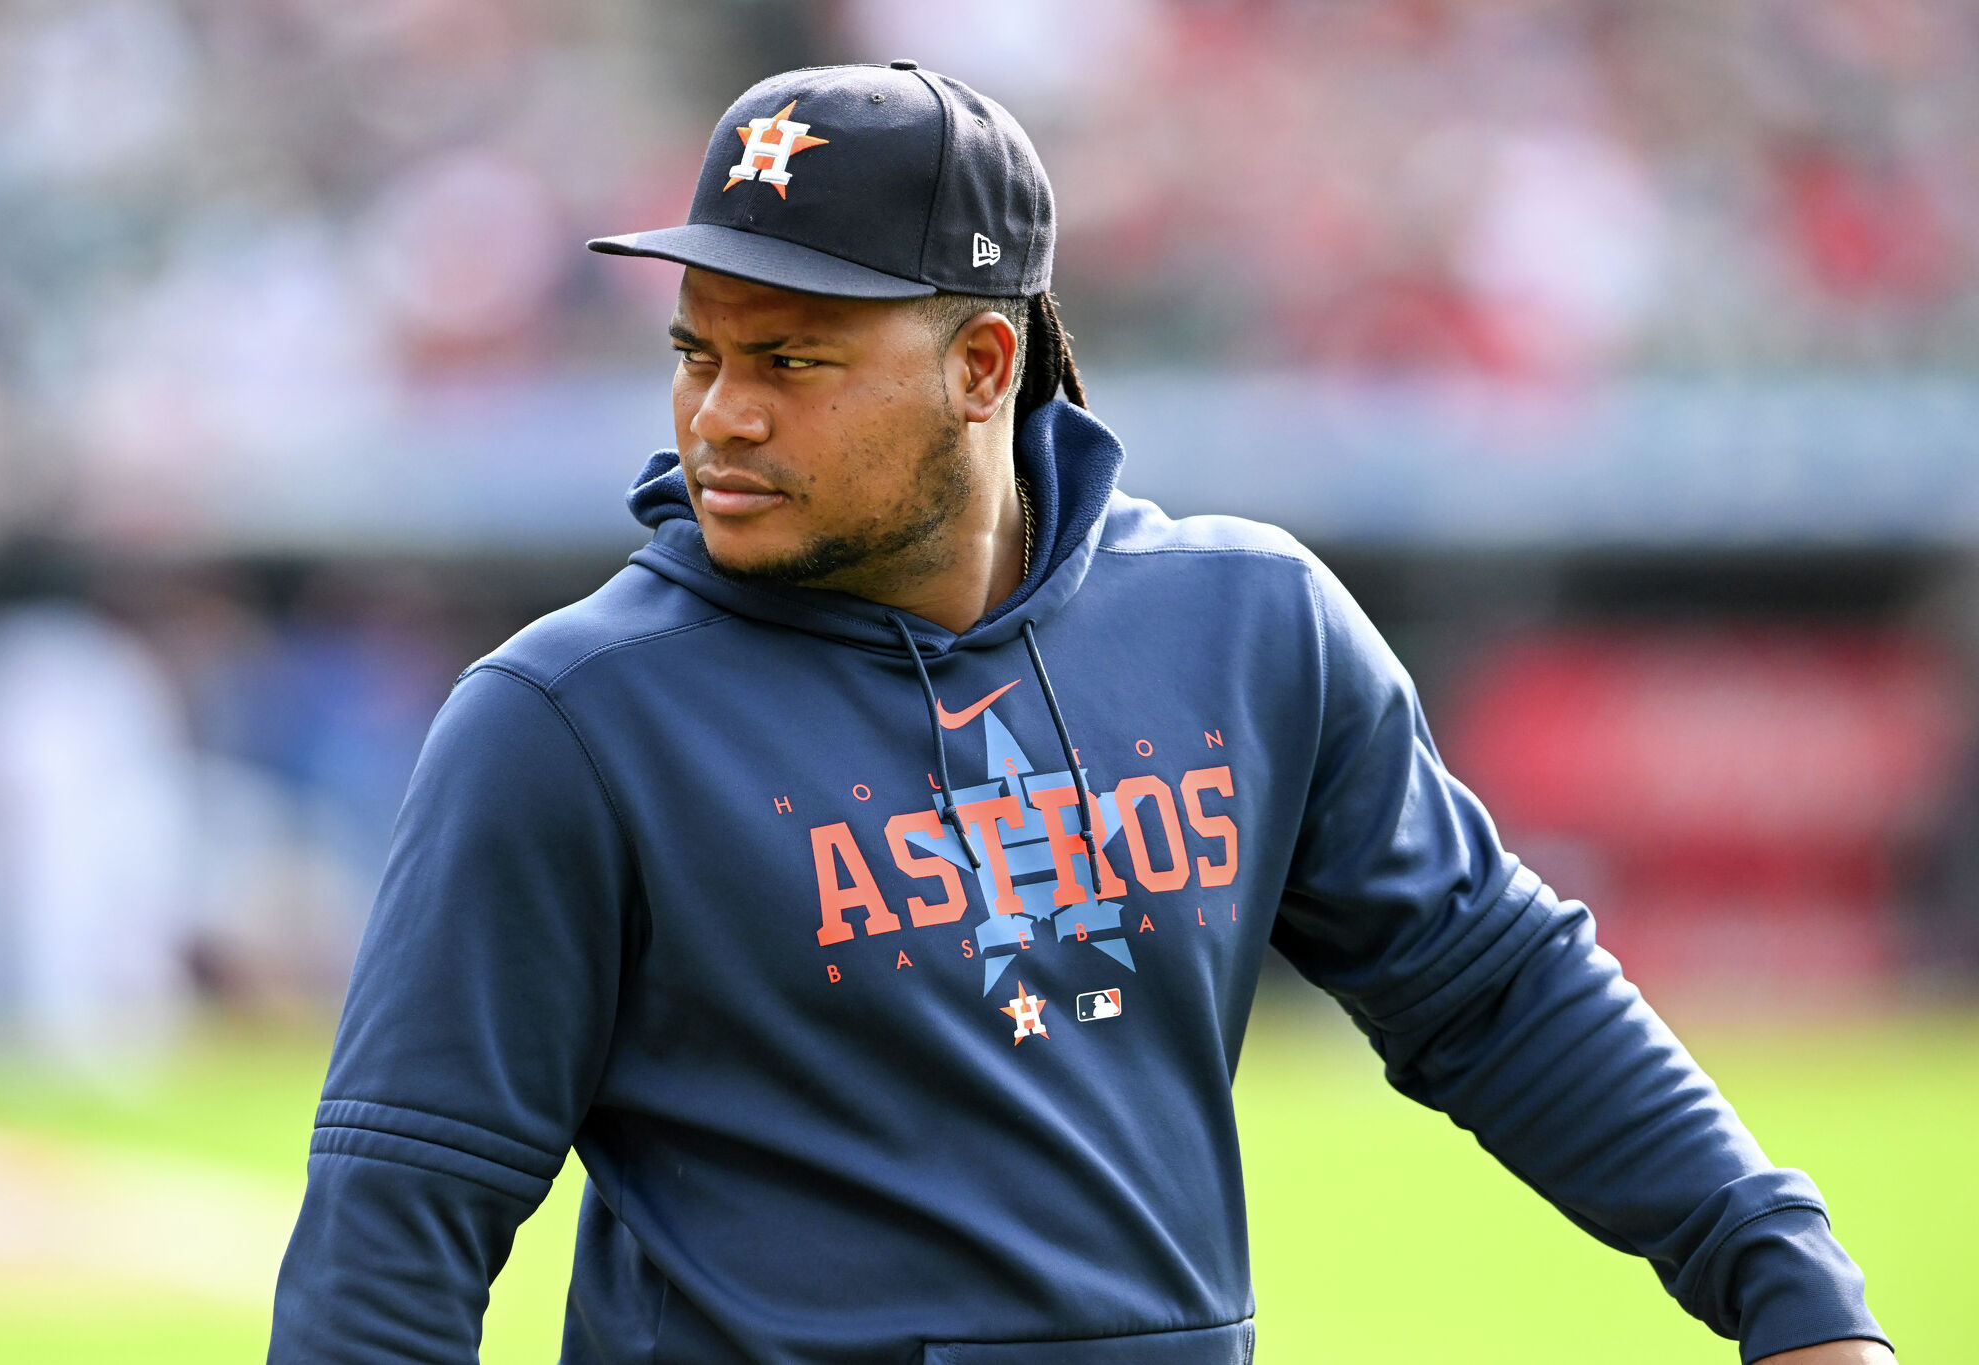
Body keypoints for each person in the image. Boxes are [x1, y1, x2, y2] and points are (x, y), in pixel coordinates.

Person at [269, 63, 1893, 1365]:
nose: (722, 413)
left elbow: (1498, 990)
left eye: (796, 358)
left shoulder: (1251, 630)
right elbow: (398, 1227)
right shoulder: (567, 721)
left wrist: (1789, 1284)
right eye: (697, 350)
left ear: (984, 364)